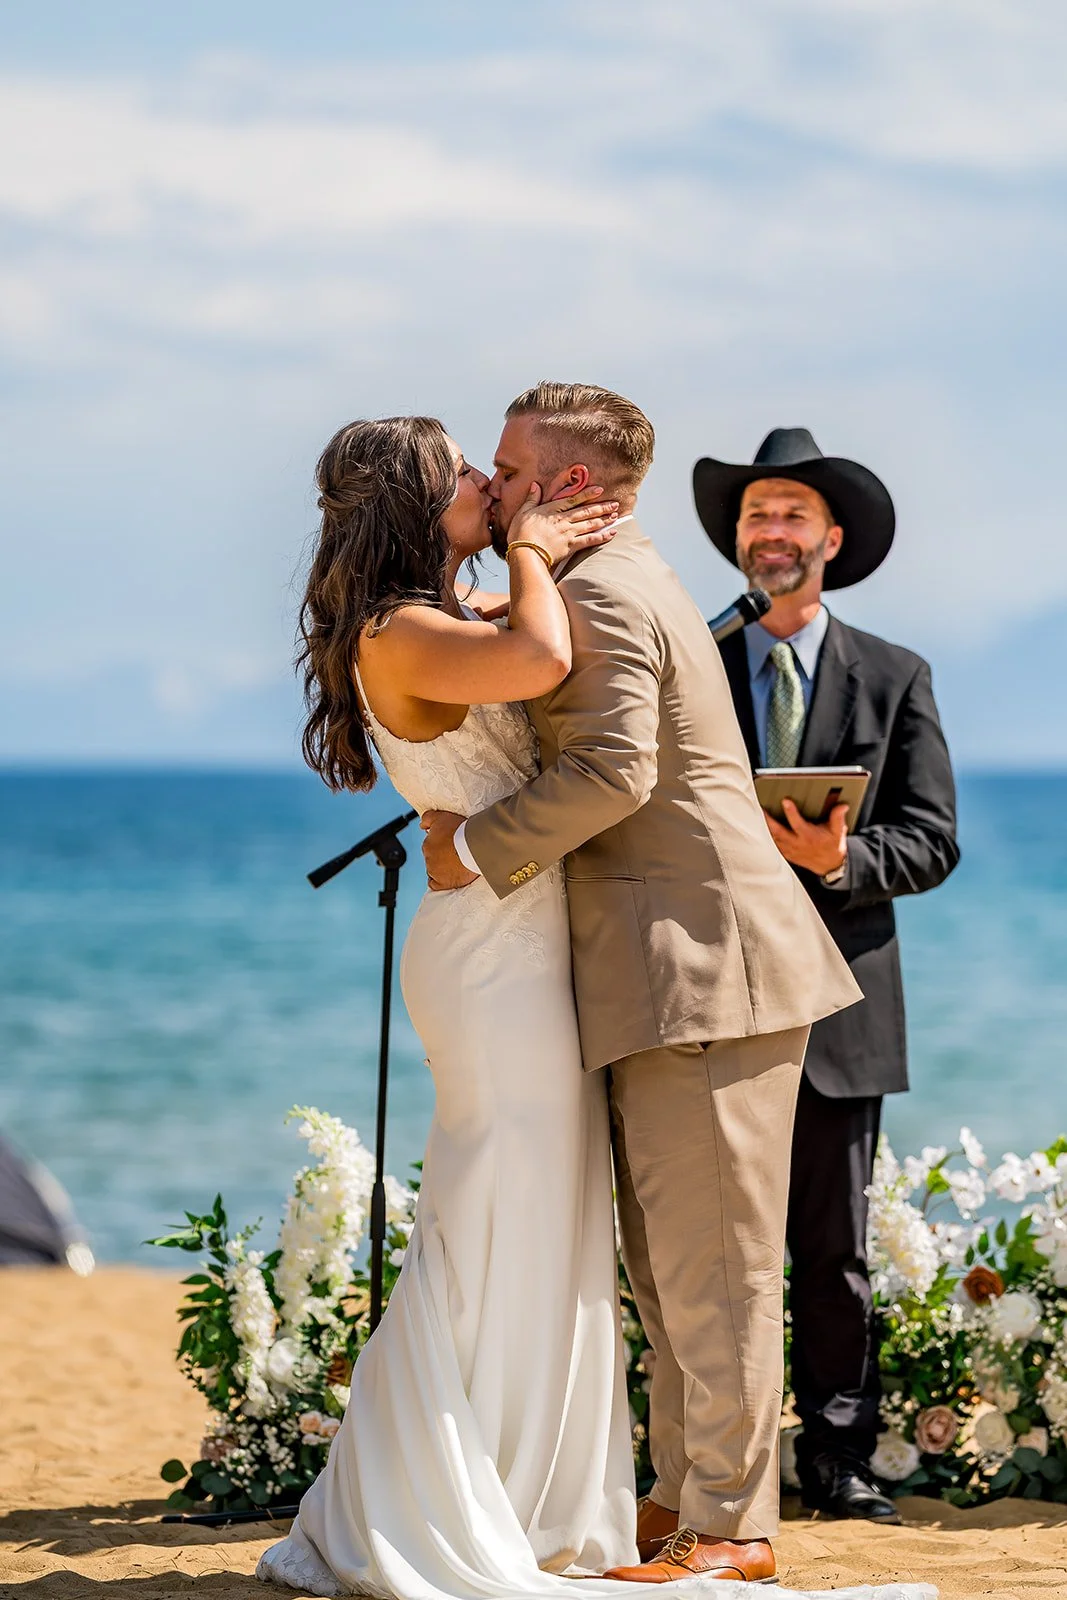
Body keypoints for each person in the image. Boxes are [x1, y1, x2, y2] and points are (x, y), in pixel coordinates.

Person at [421, 384, 864, 1588]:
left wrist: (470, 847)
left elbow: (615, 770)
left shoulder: (606, 595)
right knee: (674, 1268)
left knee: (715, 1267)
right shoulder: (607, 581)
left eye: (511, 472)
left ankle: (731, 1531)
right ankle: (681, 1501)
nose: (497, 486)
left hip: (703, 967)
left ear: (570, 486)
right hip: (664, 969)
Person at [693, 428, 960, 1523]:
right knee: (707, 1247)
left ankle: (839, 1460)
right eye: (757, 514)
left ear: (831, 539)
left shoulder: (897, 676)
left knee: (832, 1254)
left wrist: (839, 861)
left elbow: (932, 839)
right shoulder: (694, 663)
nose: (773, 531)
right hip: (708, 989)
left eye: (792, 514)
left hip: (843, 1001)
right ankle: (711, 1459)